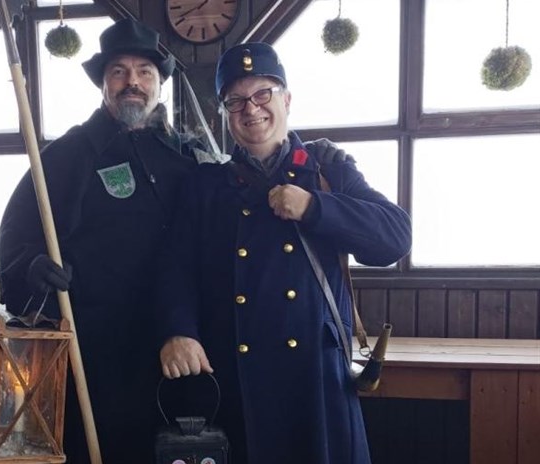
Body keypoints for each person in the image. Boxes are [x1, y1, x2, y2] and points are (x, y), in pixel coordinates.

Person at [156, 42, 412, 464]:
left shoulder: (327, 171)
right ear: (225, 113)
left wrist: (315, 208)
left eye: (263, 94)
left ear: (287, 100)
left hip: (315, 379)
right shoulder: (206, 185)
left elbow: (395, 239)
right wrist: (178, 330)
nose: (251, 109)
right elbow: (176, 268)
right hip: (235, 376)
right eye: (236, 100)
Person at [0, 18, 203, 464]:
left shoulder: (184, 157)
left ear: (159, 83)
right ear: (104, 84)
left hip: (176, 349)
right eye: (119, 71)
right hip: (97, 356)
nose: (133, 82)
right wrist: (33, 267)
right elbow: (17, 238)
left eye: (145, 71)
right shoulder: (66, 156)